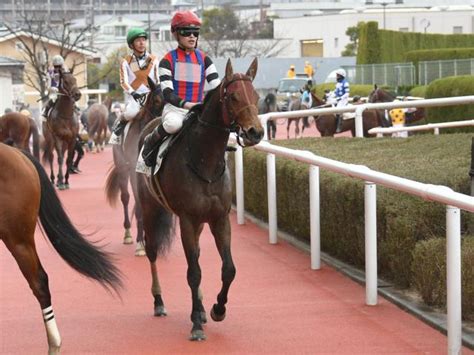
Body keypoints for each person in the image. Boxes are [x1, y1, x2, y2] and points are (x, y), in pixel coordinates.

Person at [141, 10, 221, 167]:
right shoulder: (167, 60)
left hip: (199, 109)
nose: (192, 36)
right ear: (176, 34)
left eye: (195, 32)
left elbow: (216, 87)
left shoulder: (205, 59)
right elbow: (168, 94)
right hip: (175, 109)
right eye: (186, 32)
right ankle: (150, 142)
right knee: (173, 125)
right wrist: (187, 105)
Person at [109, 27, 160, 144]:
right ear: (131, 45)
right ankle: (118, 127)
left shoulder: (154, 59)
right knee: (131, 113)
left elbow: (159, 79)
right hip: (134, 97)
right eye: (138, 40)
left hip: (151, 96)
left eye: (143, 40)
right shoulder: (126, 61)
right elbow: (123, 82)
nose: (142, 43)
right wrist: (133, 92)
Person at [42, 55, 66, 120]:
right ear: (53, 66)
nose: (57, 68)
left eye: (59, 66)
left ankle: (77, 109)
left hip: (64, 90)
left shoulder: (65, 72)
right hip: (54, 91)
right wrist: (53, 88)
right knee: (53, 98)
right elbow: (48, 85)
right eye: (56, 66)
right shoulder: (49, 73)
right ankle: (45, 112)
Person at [333, 68, 350, 133]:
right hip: (338, 99)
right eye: (336, 75)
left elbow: (347, 93)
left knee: (338, 110)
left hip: (343, 100)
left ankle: (339, 126)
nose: (336, 77)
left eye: (338, 75)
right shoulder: (337, 84)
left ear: (341, 76)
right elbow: (335, 92)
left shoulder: (345, 83)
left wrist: (340, 98)